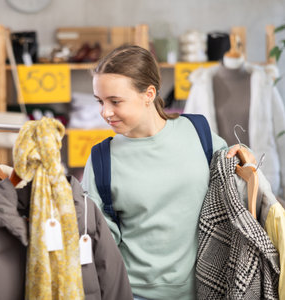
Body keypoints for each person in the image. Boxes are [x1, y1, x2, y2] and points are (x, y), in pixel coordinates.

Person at [80, 45, 252, 300]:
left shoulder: (199, 132)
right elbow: (99, 243)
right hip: (134, 294)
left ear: (149, 94)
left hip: (208, 290)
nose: (105, 112)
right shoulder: (101, 160)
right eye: (100, 101)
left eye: (115, 101)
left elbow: (234, 185)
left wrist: (244, 155)